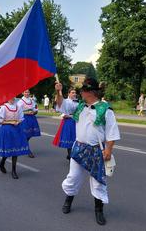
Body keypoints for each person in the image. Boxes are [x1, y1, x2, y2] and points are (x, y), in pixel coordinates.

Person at [55, 78, 120, 226]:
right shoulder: (78, 106)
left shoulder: (106, 110)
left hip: (97, 151)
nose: (80, 93)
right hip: (78, 148)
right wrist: (58, 91)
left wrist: (108, 150)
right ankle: (68, 200)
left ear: (89, 92)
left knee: (98, 182)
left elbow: (112, 132)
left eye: (83, 90)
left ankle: (99, 210)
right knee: (73, 177)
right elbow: (61, 104)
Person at [0, 98, 29, 179]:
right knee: (8, 148)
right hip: (6, 129)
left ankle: (14, 171)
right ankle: (2, 162)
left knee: (15, 150)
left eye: (13, 97)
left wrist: (18, 122)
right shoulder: (4, 107)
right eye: (10, 97)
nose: (12, 99)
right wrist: (10, 122)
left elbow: (21, 118)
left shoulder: (18, 107)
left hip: (16, 129)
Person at [53, 87, 78, 160]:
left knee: (75, 140)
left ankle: (70, 155)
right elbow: (60, 109)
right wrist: (58, 90)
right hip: (68, 122)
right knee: (70, 139)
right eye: (72, 92)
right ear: (68, 94)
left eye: (75, 92)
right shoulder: (65, 101)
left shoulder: (77, 102)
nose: (74, 94)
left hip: (76, 122)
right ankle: (70, 155)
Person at [17, 90, 40, 158]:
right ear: (23, 93)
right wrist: (26, 113)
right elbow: (18, 111)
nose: (27, 93)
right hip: (24, 118)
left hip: (32, 118)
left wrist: (35, 112)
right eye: (25, 92)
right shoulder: (20, 101)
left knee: (30, 133)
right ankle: (28, 150)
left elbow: (35, 108)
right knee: (26, 134)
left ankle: (23, 144)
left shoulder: (31, 100)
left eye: (28, 92)